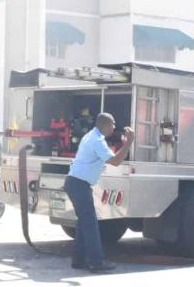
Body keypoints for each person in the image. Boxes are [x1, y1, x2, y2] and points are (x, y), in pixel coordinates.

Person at [64, 113, 133, 273]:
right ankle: (97, 262)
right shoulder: (97, 141)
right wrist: (128, 143)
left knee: (84, 223)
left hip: (76, 183)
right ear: (106, 125)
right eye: (113, 124)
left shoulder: (90, 136)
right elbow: (115, 162)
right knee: (90, 224)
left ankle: (79, 260)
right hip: (79, 184)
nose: (114, 127)